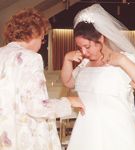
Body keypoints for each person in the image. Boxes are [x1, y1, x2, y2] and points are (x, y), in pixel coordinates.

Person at [61, 4, 135, 150]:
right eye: (79, 47)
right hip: (86, 132)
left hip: (116, 133)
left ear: (101, 38)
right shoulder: (85, 64)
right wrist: (67, 60)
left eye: (87, 46)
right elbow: (68, 82)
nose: (83, 52)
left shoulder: (122, 59)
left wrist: (122, 61)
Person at [0, 8, 84, 150]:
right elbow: (37, 107)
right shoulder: (31, 58)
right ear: (34, 33)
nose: (41, 43)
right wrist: (68, 102)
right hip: (25, 135)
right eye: (42, 38)